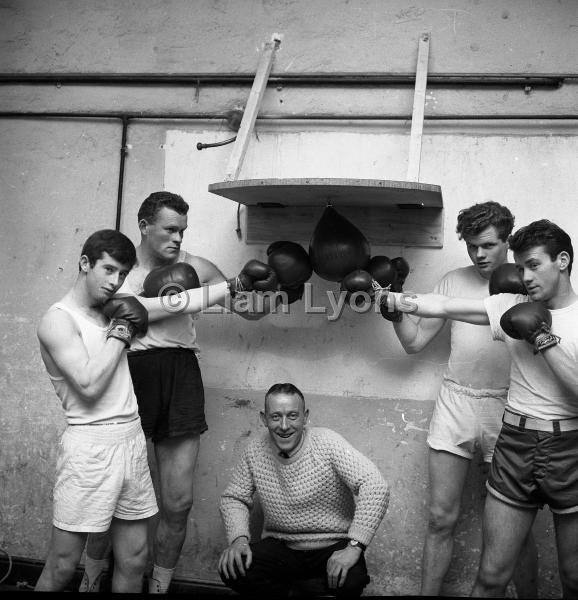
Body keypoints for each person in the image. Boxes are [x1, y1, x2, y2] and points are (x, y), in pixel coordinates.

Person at [35, 228, 278, 592]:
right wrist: (122, 328)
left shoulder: (109, 307)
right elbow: (87, 383)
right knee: (63, 563)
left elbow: (169, 304)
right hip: (91, 447)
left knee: (133, 560)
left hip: (129, 440)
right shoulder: (59, 319)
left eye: (121, 274)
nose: (115, 282)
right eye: (109, 271)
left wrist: (235, 284)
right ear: (85, 264)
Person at [389, 219, 578, 598]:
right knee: (491, 577)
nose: (524, 276)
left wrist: (542, 337)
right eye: (520, 266)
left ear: (562, 260)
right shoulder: (512, 304)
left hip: (569, 447)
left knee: (574, 578)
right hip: (516, 442)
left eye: (534, 265)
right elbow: (444, 305)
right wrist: (394, 300)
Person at [218, 383, 390, 598]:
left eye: (292, 416)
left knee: (351, 580)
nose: (283, 425)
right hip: (281, 546)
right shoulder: (255, 450)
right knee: (234, 568)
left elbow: (375, 486)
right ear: (264, 419)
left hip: (331, 545)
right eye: (275, 417)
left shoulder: (326, 442)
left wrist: (354, 546)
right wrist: (238, 540)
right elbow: (234, 497)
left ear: (305, 417)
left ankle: (299, 590)